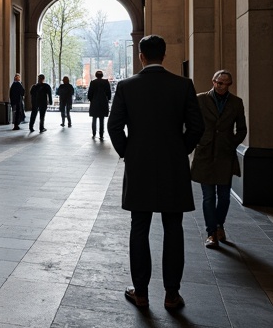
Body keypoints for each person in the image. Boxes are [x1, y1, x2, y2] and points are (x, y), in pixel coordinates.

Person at [107, 34, 204, 312]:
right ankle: (172, 295)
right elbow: (196, 127)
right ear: (164, 55)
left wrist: (128, 152)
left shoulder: (126, 86)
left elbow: (114, 127)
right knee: (173, 228)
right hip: (173, 166)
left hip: (140, 167)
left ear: (141, 56)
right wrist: (179, 150)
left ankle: (140, 293)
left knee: (140, 228)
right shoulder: (183, 85)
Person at [190, 69, 247, 249]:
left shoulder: (236, 103)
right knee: (208, 197)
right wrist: (199, 140)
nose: (222, 86)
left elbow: (242, 129)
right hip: (206, 153)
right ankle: (211, 233)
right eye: (219, 82)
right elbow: (191, 123)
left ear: (230, 84)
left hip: (225, 153)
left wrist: (231, 142)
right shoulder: (200, 99)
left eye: (226, 83)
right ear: (213, 81)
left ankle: (219, 225)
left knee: (224, 197)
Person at [88, 69, 111, 140]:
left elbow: (90, 94)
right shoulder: (106, 82)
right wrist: (108, 99)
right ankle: (101, 134)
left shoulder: (93, 82)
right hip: (103, 102)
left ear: (96, 76)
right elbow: (109, 93)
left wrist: (91, 99)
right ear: (102, 75)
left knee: (94, 118)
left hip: (94, 102)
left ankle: (94, 133)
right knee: (102, 119)